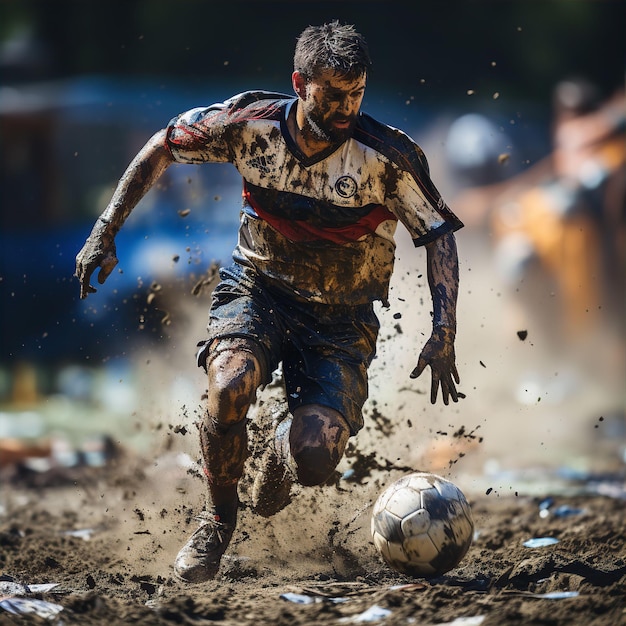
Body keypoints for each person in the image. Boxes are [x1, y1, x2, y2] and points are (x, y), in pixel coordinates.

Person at [75, 21, 464, 583]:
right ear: (299, 83)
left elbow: (437, 235)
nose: (346, 107)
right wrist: (105, 228)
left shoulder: (388, 156)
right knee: (230, 386)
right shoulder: (248, 125)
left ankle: (281, 453)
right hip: (258, 289)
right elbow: (163, 145)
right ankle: (216, 521)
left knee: (313, 458)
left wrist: (443, 328)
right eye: (332, 93)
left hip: (342, 318)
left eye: (356, 93)